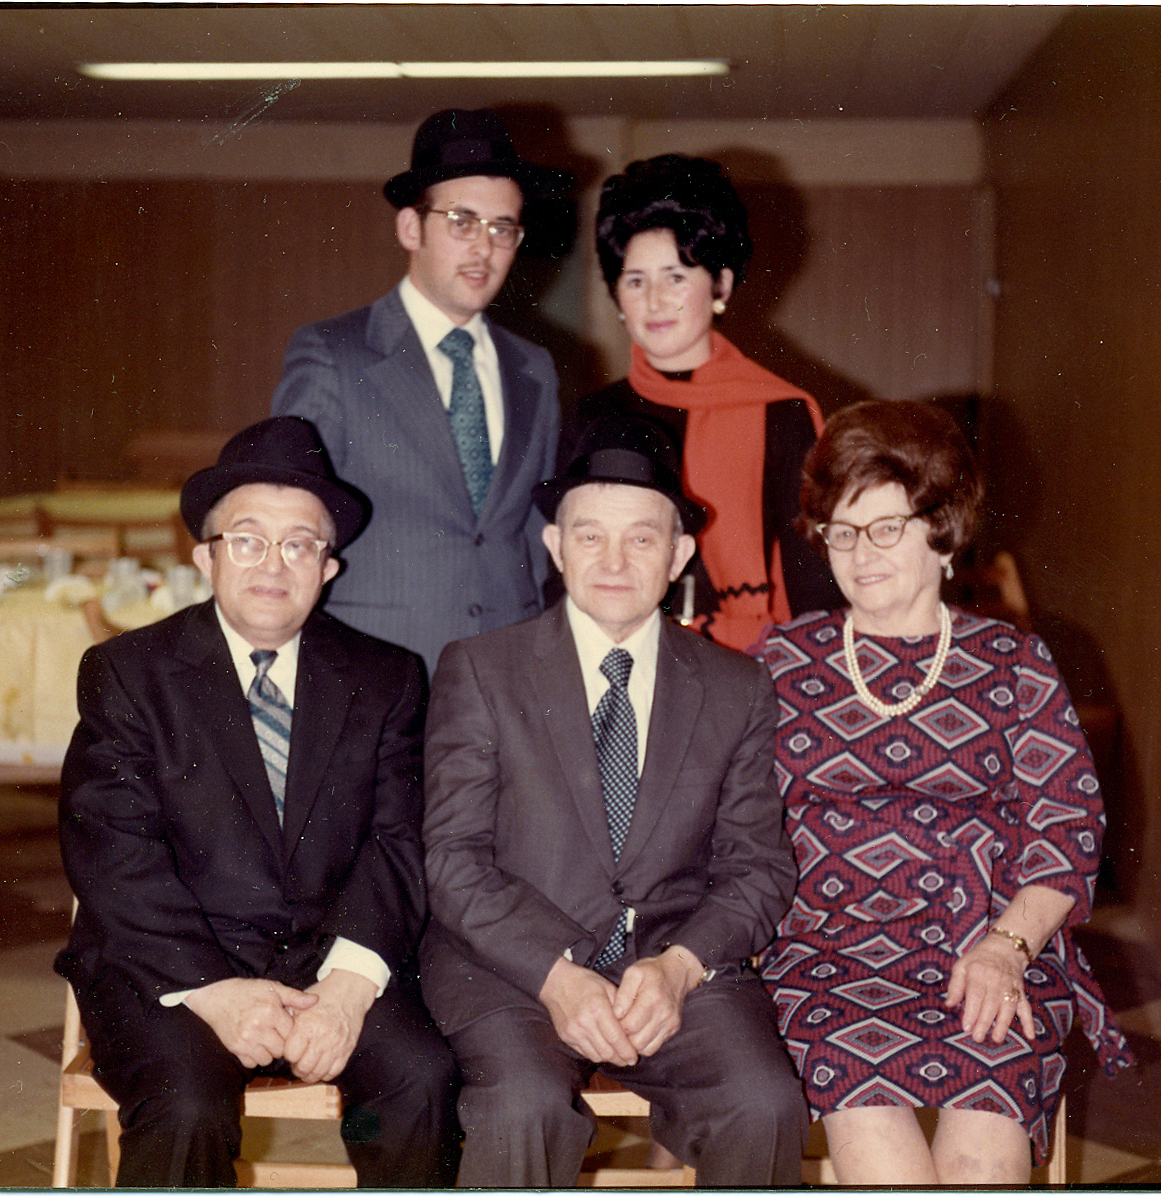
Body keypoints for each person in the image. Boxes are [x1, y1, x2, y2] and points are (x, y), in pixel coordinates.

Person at [54, 416, 460, 1188]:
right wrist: (215, 991)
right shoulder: (130, 673)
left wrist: (347, 991)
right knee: (187, 1105)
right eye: (246, 540)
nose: (273, 564)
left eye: (299, 544)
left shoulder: (385, 677)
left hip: (328, 961)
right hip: (169, 966)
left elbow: (397, 841)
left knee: (420, 1078)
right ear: (204, 556)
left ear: (328, 567)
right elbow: (110, 851)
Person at [751, 399, 1133, 1185]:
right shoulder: (784, 659)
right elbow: (735, 821)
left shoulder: (1012, 663)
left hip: (986, 940)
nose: (859, 554)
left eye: (884, 528)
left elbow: (1065, 830)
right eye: (841, 532)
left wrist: (1007, 948)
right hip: (825, 949)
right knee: (868, 1119)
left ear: (941, 528)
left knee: (986, 1133)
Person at [420, 415, 808, 1187]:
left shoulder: (736, 687)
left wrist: (680, 967)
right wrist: (554, 974)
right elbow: (452, 861)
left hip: (673, 966)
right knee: (523, 1108)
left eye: (641, 538)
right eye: (589, 536)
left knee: (762, 1104)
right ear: (555, 546)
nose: (613, 560)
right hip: (513, 969)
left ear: (679, 555)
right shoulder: (481, 670)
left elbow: (758, 868)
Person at [273, 107, 564, 673]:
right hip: (375, 668)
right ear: (411, 228)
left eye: (502, 228)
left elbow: (534, 532)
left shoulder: (535, 368)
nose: (484, 248)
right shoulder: (333, 354)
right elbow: (292, 523)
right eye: (462, 222)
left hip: (507, 667)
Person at [579, 153, 841, 652]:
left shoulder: (782, 413)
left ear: (720, 284)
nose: (654, 299)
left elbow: (816, 588)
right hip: (620, 660)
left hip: (754, 663)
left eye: (676, 277)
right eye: (635, 280)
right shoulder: (592, 416)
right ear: (617, 297)